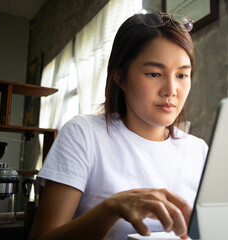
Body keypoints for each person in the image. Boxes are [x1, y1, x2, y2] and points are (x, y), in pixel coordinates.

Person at [29, 9, 208, 240]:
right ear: (119, 76)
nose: (171, 90)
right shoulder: (84, 134)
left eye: (182, 76)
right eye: (154, 74)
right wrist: (111, 208)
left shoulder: (198, 150)